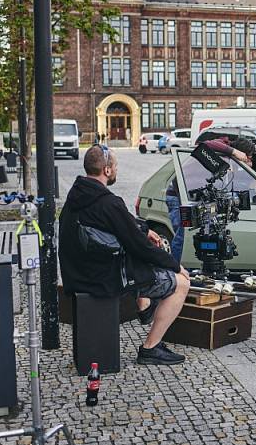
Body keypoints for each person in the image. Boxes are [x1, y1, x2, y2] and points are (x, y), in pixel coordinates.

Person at [59, 145, 191, 366]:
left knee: (136, 262)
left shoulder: (77, 196)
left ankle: (144, 305)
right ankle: (151, 348)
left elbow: (115, 227)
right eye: (116, 166)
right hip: (102, 279)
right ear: (107, 170)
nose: (117, 170)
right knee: (181, 284)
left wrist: (143, 229)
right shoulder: (108, 203)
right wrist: (176, 267)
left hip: (78, 273)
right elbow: (141, 248)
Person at [165, 136, 256, 262]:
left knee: (206, 235)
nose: (248, 160)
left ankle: (191, 268)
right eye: (248, 157)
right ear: (241, 152)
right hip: (178, 196)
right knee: (183, 237)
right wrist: (234, 152)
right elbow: (206, 143)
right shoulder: (220, 147)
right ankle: (174, 270)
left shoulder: (227, 161)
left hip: (195, 197)